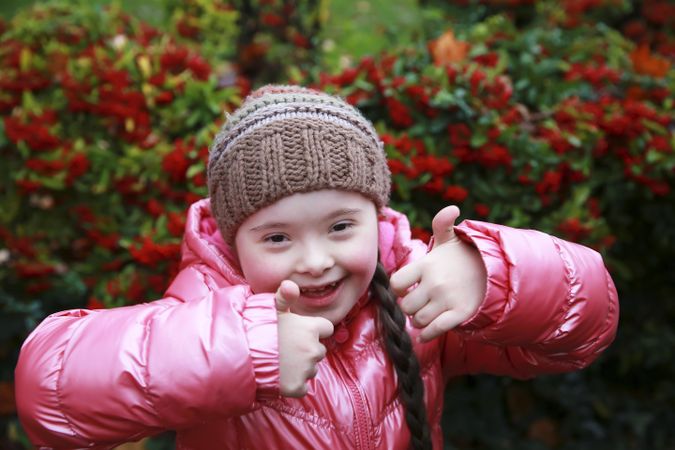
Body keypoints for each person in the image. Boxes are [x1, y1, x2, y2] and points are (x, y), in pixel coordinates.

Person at [15, 85, 619, 450]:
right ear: (232, 243)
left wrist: (496, 278)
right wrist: (242, 345)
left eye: (340, 227)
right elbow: (50, 395)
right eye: (276, 237)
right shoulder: (207, 301)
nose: (314, 260)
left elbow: (581, 331)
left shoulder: (412, 287)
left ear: (376, 214)